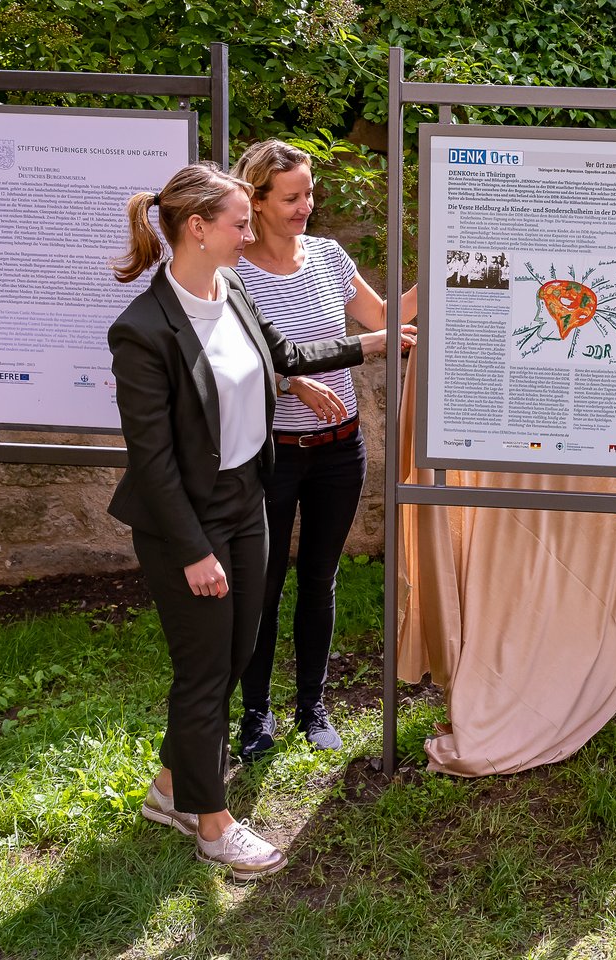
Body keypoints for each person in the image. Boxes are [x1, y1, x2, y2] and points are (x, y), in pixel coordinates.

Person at [108, 162, 407, 878]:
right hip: (187, 517)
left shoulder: (231, 285)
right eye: (241, 223)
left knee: (237, 653)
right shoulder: (142, 332)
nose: (252, 234)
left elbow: (287, 356)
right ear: (198, 229)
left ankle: (169, 789)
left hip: (247, 495)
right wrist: (191, 550)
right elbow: (152, 463)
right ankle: (212, 824)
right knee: (205, 671)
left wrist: (370, 344)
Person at [226, 140, 419, 761]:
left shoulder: (330, 257)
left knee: (320, 577)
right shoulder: (235, 271)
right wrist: (291, 382)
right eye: (291, 197)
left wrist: (447, 266)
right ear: (255, 202)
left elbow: (384, 317)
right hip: (274, 452)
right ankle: (257, 713)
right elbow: (235, 360)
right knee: (262, 582)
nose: (305, 206)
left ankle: (313, 705)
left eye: (309, 193)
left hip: (341, 450)